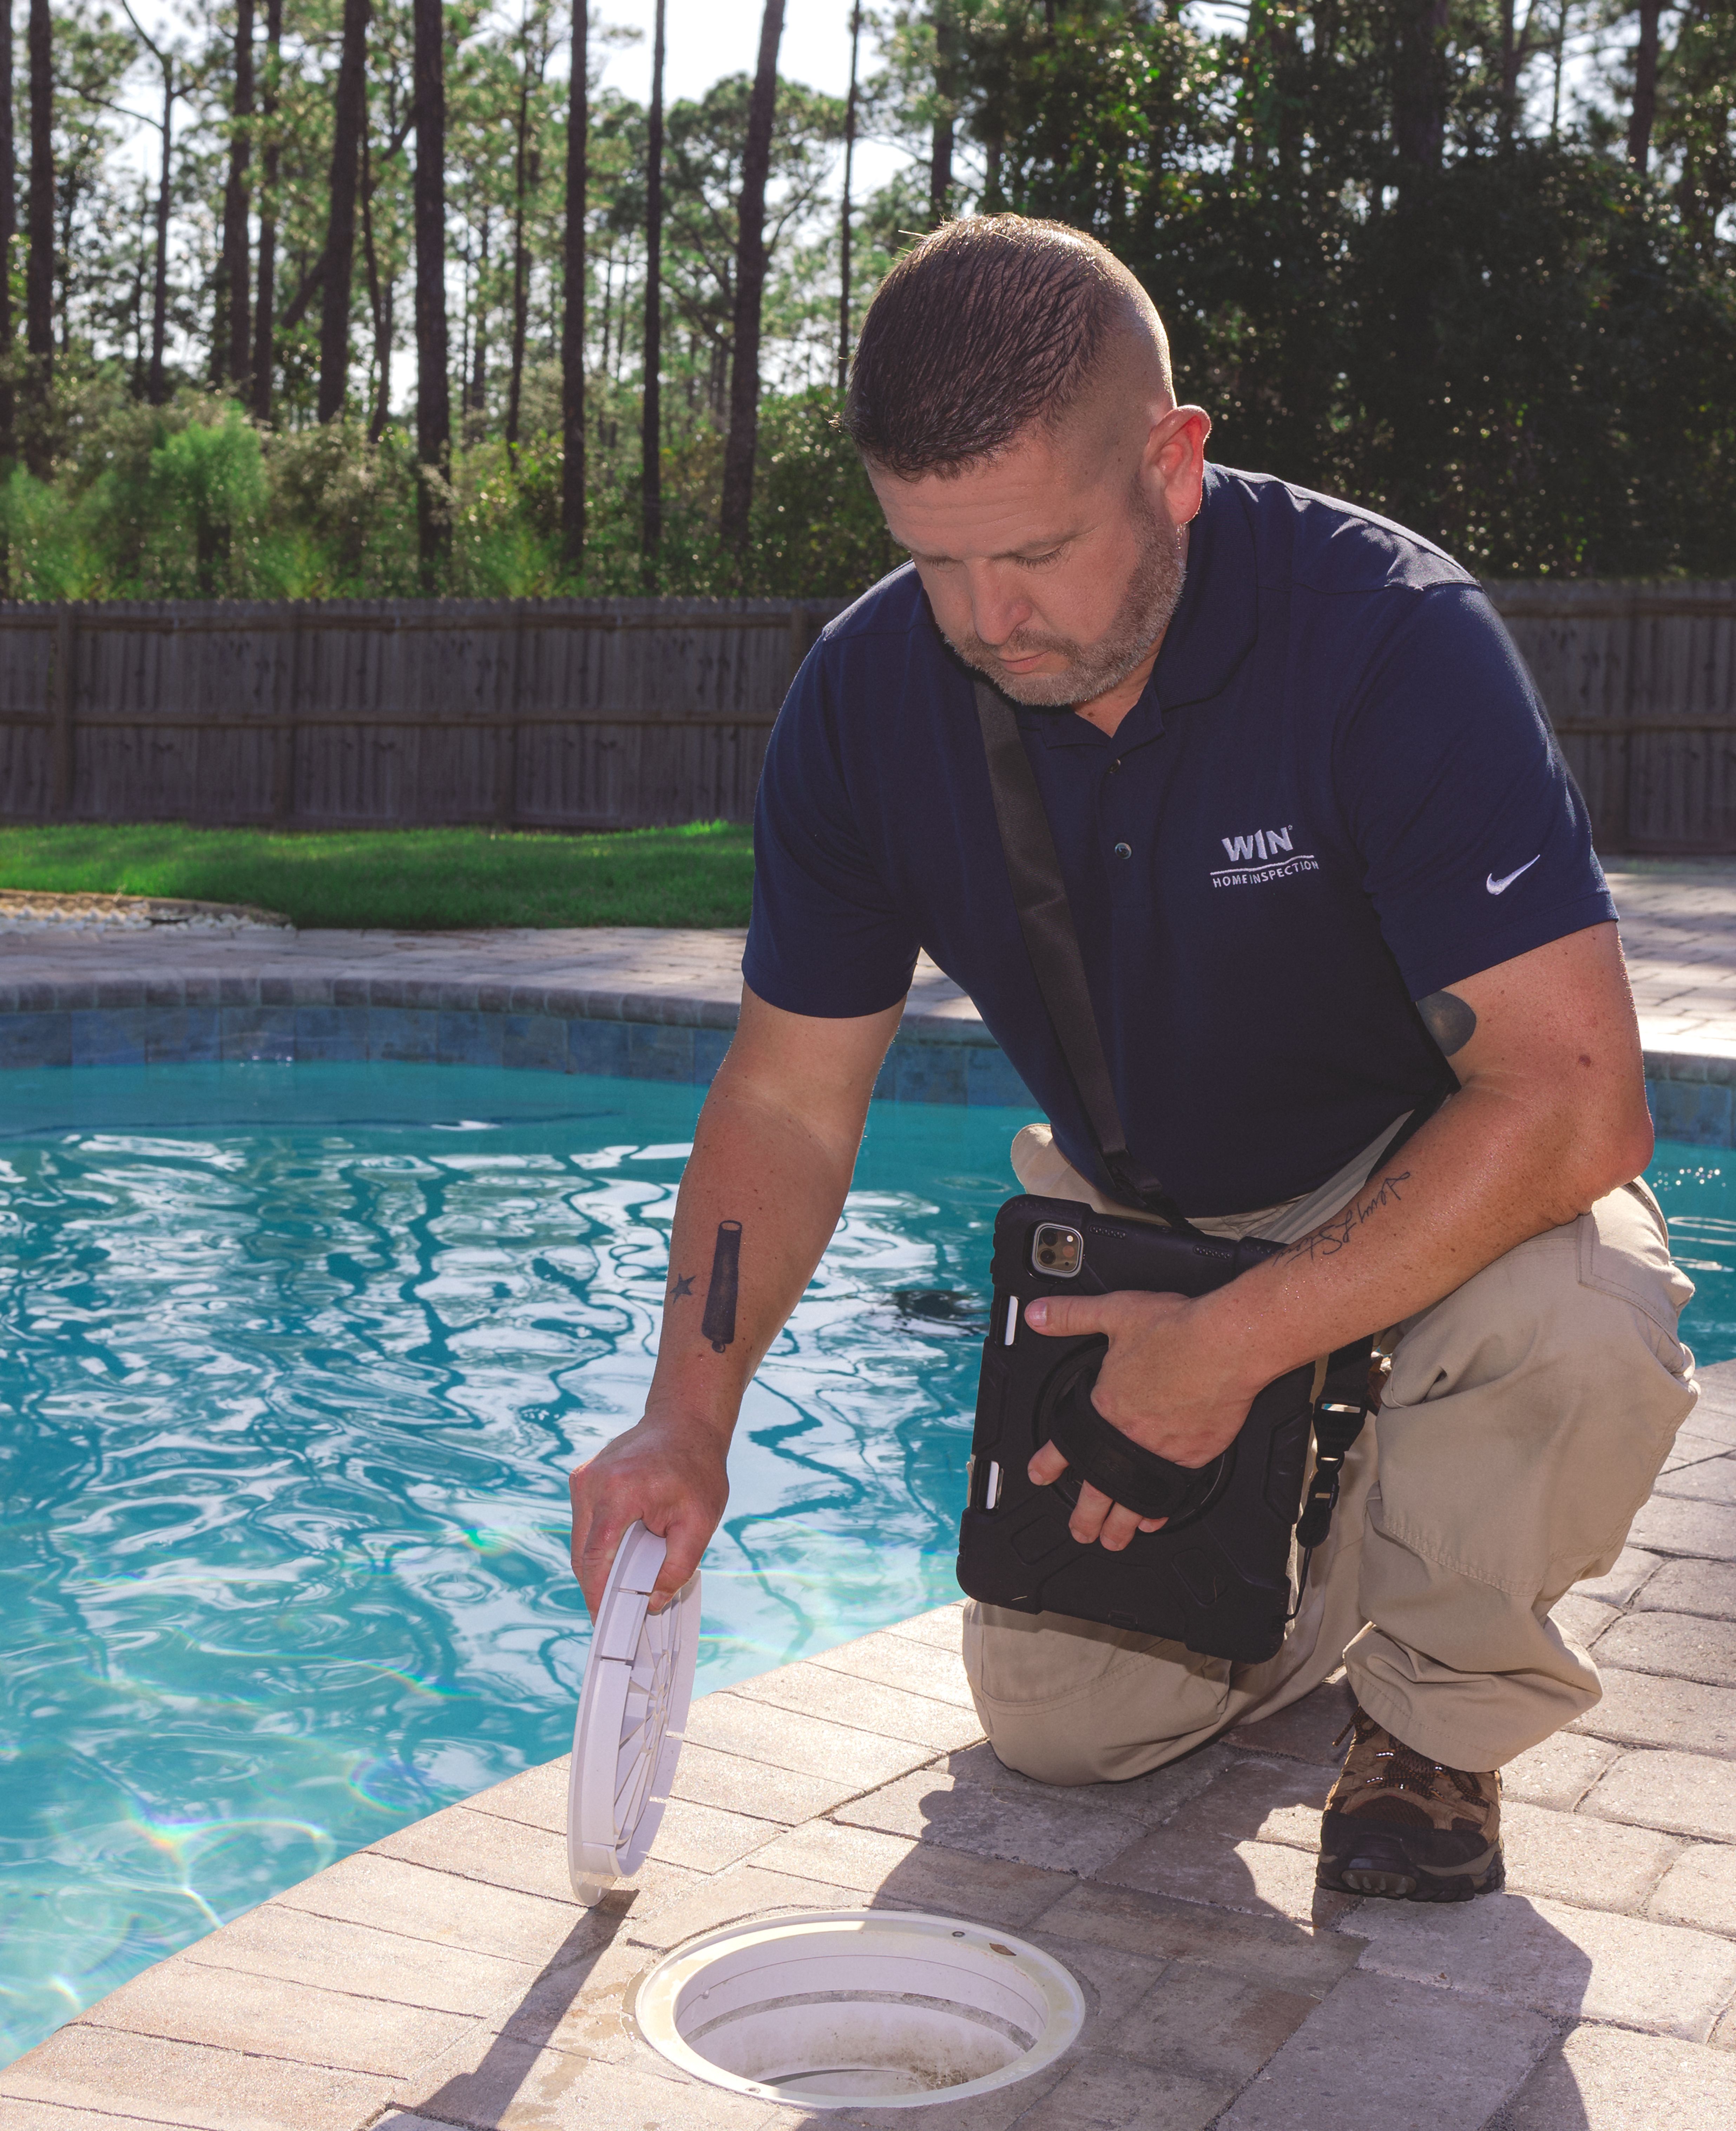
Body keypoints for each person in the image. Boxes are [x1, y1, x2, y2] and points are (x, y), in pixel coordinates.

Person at [568, 215, 1696, 1905]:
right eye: (933, 562)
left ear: (1173, 464)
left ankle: (1435, 1719)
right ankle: (1336, 1526)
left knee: (1583, 1323)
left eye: (1031, 553)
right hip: (1146, 1208)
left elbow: (1579, 1100)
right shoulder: (869, 698)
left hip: (1430, 1186)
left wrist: (1224, 1351)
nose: (985, 619)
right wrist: (688, 1416)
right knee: (1067, 1733)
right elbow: (790, 1099)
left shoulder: (1386, 637)